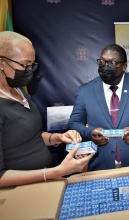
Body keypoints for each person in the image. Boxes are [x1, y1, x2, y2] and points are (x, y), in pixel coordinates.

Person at [0, 31, 94, 188]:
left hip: (41, 184)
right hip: (17, 194)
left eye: (32, 65)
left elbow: (32, 136)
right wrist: (57, 172)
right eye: (24, 65)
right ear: (1, 62)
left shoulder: (18, 90)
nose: (29, 70)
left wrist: (58, 138)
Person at [68, 44, 129, 171]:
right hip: (100, 164)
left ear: (124, 66)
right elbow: (74, 123)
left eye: (112, 62)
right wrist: (90, 133)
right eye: (102, 61)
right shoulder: (86, 90)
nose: (105, 66)